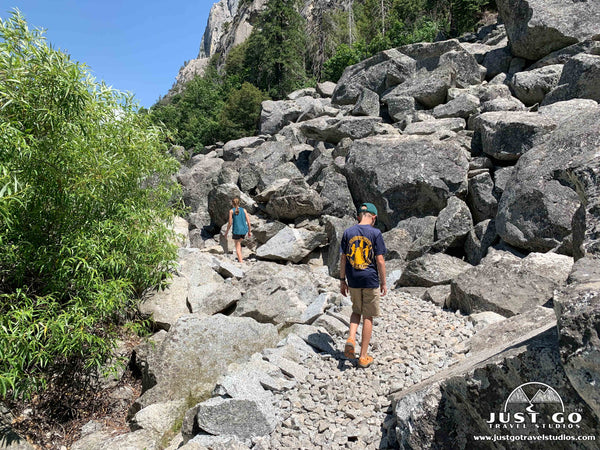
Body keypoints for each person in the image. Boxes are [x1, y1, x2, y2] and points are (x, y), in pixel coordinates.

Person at [339, 202, 387, 368]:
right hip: (370, 279)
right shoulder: (375, 233)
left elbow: (343, 258)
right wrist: (384, 282)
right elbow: (380, 260)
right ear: (373, 217)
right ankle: (363, 356)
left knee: (356, 311)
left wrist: (342, 280)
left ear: (359, 216)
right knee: (368, 316)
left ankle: (351, 338)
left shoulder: (348, 232)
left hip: (353, 280)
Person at [223, 197, 252, 263]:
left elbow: (230, 223)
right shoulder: (244, 210)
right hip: (244, 230)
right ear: (239, 203)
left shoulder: (231, 211)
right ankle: (240, 258)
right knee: (239, 243)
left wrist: (226, 232)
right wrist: (249, 231)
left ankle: (241, 262)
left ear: (232, 203)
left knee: (237, 246)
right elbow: (248, 222)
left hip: (236, 231)